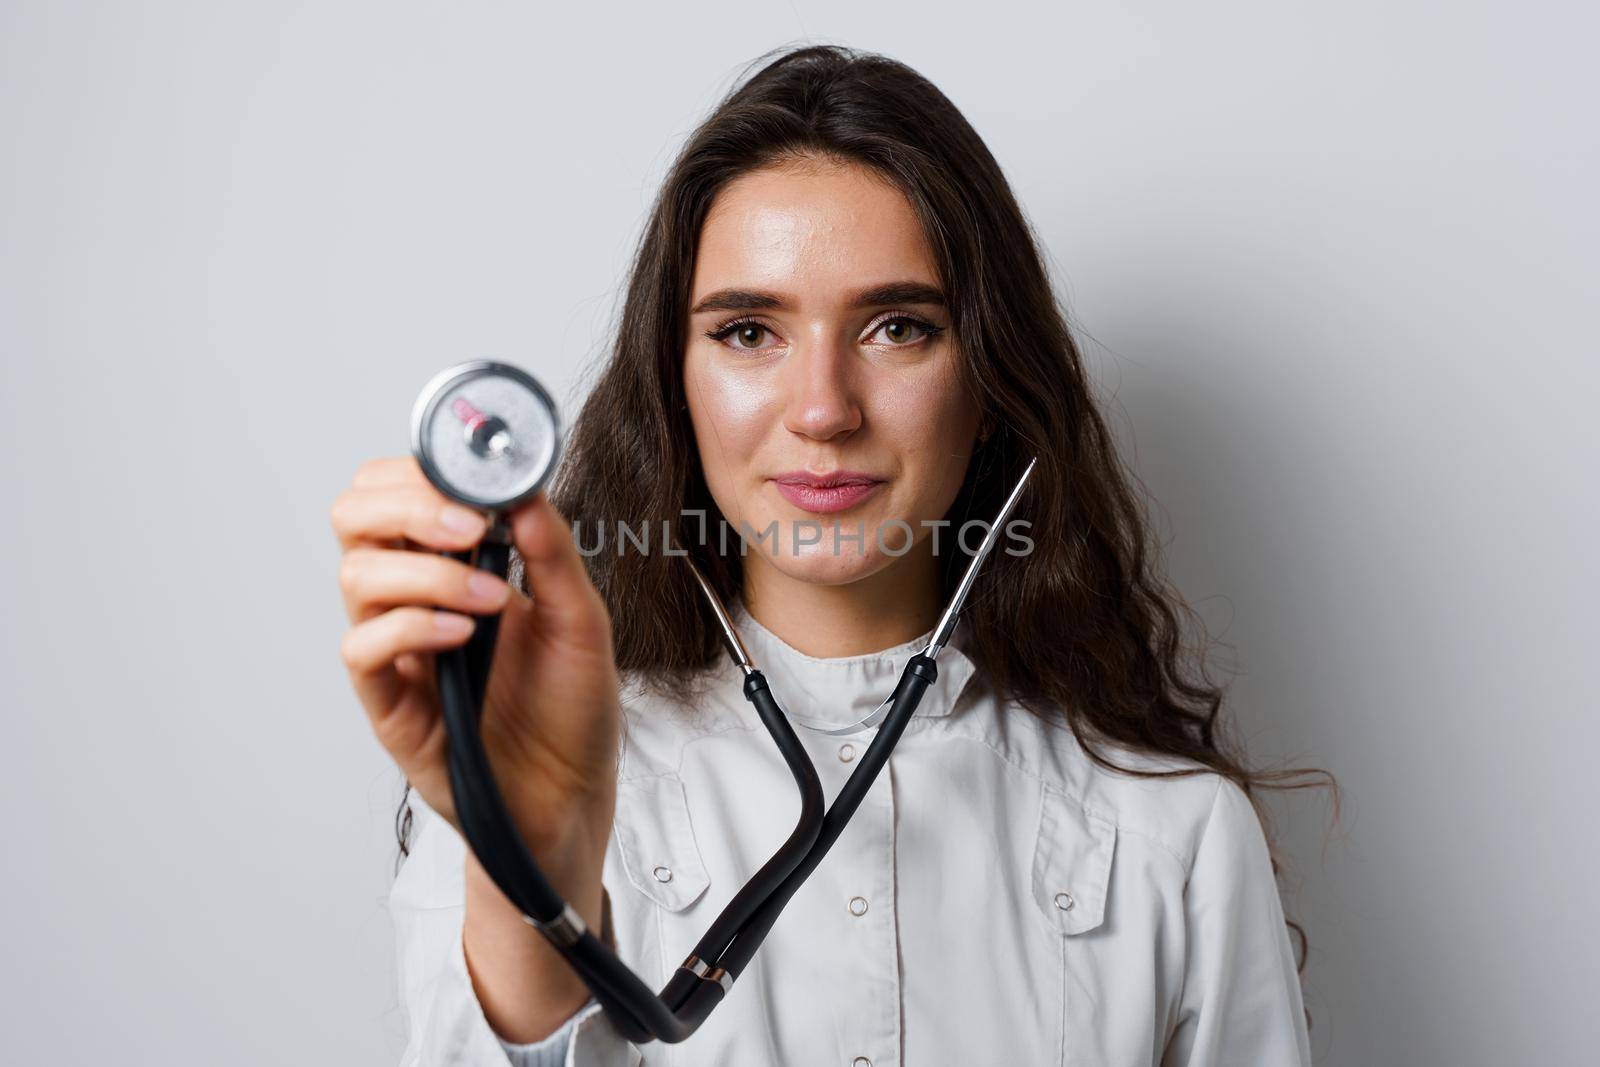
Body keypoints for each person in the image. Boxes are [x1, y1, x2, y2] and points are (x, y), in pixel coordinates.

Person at [331, 44, 1328, 1066]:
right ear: (674, 384)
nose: (822, 408)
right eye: (749, 330)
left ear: (988, 381)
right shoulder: (522, 763)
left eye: (898, 327)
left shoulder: (1175, 837)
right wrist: (528, 863)